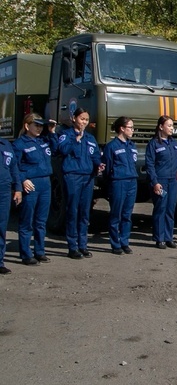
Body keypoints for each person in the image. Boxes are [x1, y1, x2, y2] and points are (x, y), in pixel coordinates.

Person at [57, 107, 104, 259]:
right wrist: (75, 141)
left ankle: (83, 245)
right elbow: (62, 150)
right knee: (73, 211)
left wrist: (99, 164)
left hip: (88, 177)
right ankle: (72, 247)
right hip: (72, 176)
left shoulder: (90, 138)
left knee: (85, 212)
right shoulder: (66, 135)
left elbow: (95, 155)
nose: (84, 122)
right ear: (74, 118)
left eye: (86, 120)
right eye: (81, 119)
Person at [14, 114, 56, 265]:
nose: (39, 128)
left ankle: (40, 251)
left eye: (41, 125)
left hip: (45, 183)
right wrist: (23, 180)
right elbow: (14, 167)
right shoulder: (19, 144)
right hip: (31, 184)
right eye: (36, 125)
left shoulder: (43, 141)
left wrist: (51, 132)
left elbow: (56, 149)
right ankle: (26, 254)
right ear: (27, 126)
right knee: (27, 221)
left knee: (41, 221)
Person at [102, 116, 138, 254]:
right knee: (116, 214)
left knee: (127, 214)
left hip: (132, 182)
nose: (132, 130)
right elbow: (107, 168)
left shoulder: (132, 145)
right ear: (122, 129)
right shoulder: (111, 146)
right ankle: (115, 244)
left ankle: (125, 241)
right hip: (118, 182)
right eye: (130, 127)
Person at [145, 115, 177, 249]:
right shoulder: (154, 144)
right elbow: (149, 165)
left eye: (172, 126)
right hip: (161, 180)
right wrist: (155, 182)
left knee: (170, 209)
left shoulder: (174, 143)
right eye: (169, 125)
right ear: (161, 127)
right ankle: (159, 238)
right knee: (160, 208)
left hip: (173, 181)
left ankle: (168, 237)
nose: (172, 128)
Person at [0, 131, 22, 274]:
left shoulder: (6, 144)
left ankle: (0, 261)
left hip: (4, 190)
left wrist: (18, 188)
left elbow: (14, 167)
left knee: (1, 226)